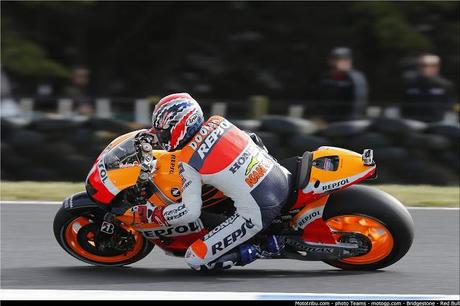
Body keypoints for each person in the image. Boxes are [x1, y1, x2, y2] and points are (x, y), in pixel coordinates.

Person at [145, 93, 291, 270]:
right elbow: (253, 138)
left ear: (181, 126)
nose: (161, 136)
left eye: (163, 132)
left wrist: (156, 214)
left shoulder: (188, 161)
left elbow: (190, 212)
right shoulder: (218, 121)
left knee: (195, 259)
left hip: (259, 211)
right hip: (280, 175)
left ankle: (264, 247)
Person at [315, 47, 368, 121]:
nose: (344, 62)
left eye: (346, 59)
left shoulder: (355, 78)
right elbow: (318, 101)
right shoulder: (325, 77)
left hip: (347, 122)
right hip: (326, 121)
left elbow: (358, 106)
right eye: (337, 59)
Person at [402, 54, 455, 122]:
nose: (424, 68)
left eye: (428, 66)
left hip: (437, 123)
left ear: (437, 67)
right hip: (413, 122)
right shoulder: (410, 84)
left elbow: (449, 107)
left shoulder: (445, 85)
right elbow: (404, 105)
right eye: (421, 65)